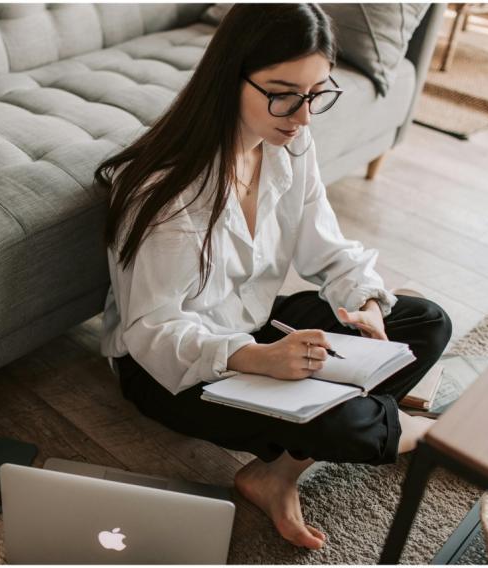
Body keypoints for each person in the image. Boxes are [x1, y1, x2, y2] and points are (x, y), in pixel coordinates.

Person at [94, 4, 452, 550]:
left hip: (259, 325)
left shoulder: (288, 142)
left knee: (424, 321)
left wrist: (365, 304)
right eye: (284, 93)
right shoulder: (166, 193)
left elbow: (326, 247)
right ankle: (416, 429)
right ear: (229, 76)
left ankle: (276, 472)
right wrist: (257, 359)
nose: (303, 116)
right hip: (175, 369)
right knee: (347, 424)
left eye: (316, 94)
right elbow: (152, 330)